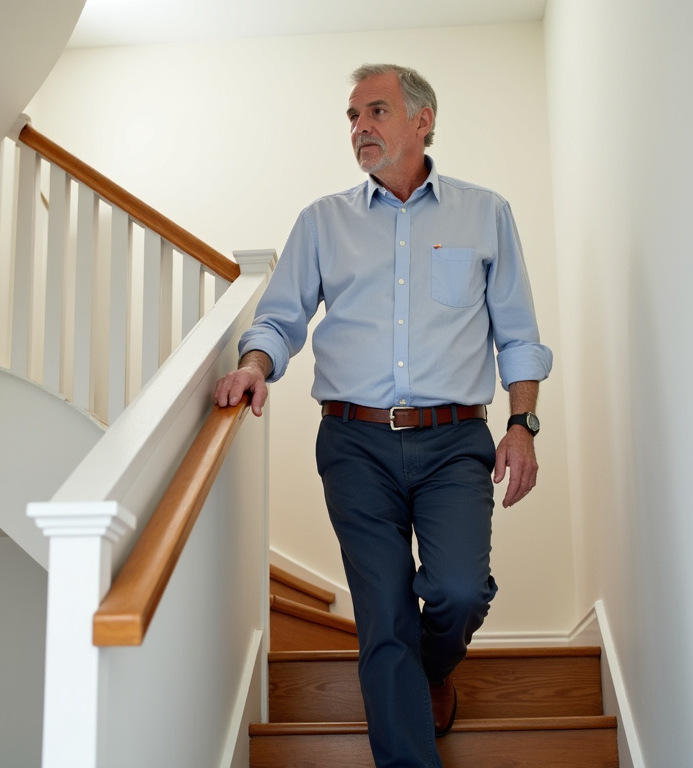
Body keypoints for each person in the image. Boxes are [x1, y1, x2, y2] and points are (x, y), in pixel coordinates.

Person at [213, 63, 552, 768]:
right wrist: (253, 365)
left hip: (456, 438)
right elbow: (280, 320)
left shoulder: (485, 213)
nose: (360, 128)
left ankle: (431, 672)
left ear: (422, 120)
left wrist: (522, 426)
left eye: (375, 111)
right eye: (352, 117)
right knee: (385, 619)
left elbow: (517, 334)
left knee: (458, 590)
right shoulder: (322, 221)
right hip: (353, 442)